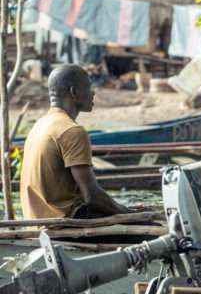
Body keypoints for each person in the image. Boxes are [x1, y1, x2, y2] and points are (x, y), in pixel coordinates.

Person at [20, 64, 130, 219]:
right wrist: (130, 214)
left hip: (37, 223)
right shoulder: (72, 131)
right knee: (155, 233)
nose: (93, 93)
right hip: (64, 226)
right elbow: (92, 197)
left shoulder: (40, 124)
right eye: (88, 87)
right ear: (74, 92)